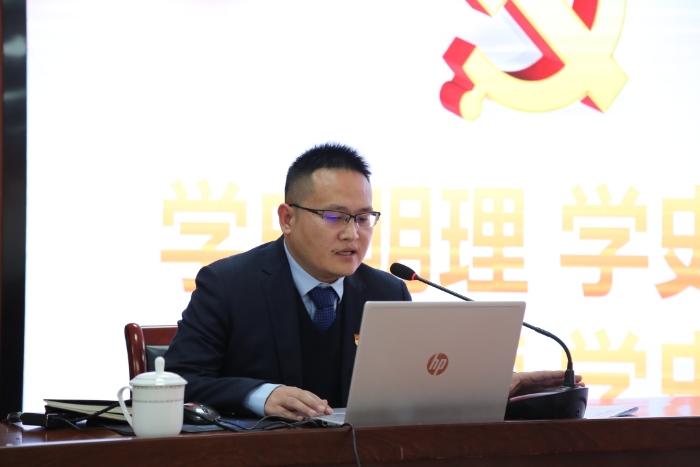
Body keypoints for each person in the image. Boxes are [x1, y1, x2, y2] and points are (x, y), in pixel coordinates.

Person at [165, 142, 582, 421]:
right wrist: (261, 395)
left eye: (364, 218)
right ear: (287, 218)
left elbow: (408, 388)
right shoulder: (228, 284)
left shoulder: (387, 291)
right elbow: (177, 382)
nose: (353, 234)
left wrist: (486, 386)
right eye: (334, 217)